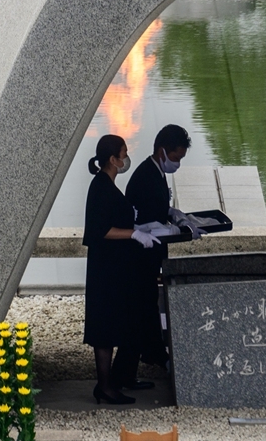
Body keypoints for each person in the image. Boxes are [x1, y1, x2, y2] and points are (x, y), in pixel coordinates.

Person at [82, 134, 162, 405]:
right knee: (103, 328)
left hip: (115, 269)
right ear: (112, 159)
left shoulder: (109, 185)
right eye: (123, 154)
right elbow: (100, 230)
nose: (127, 158)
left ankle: (114, 381)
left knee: (115, 323)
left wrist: (140, 226)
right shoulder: (100, 186)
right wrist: (133, 234)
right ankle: (104, 387)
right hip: (104, 271)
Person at [119, 124, 193, 387]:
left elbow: (158, 210)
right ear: (163, 151)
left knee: (149, 304)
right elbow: (145, 222)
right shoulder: (146, 176)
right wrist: (177, 229)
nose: (177, 164)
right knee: (140, 309)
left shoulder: (156, 171)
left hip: (150, 256)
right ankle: (132, 368)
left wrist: (173, 214)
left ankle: (154, 354)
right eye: (176, 158)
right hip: (140, 256)